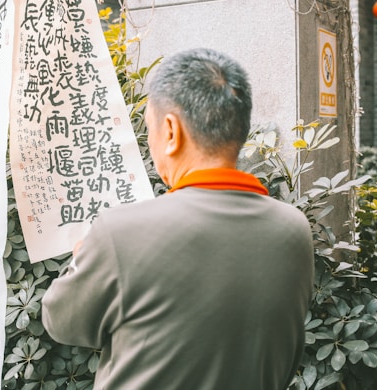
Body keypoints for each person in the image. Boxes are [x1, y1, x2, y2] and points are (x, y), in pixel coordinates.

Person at [41, 48, 314, 390]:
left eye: (149, 127)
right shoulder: (294, 229)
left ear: (170, 131)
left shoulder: (121, 232)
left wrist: (83, 256)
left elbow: (61, 321)